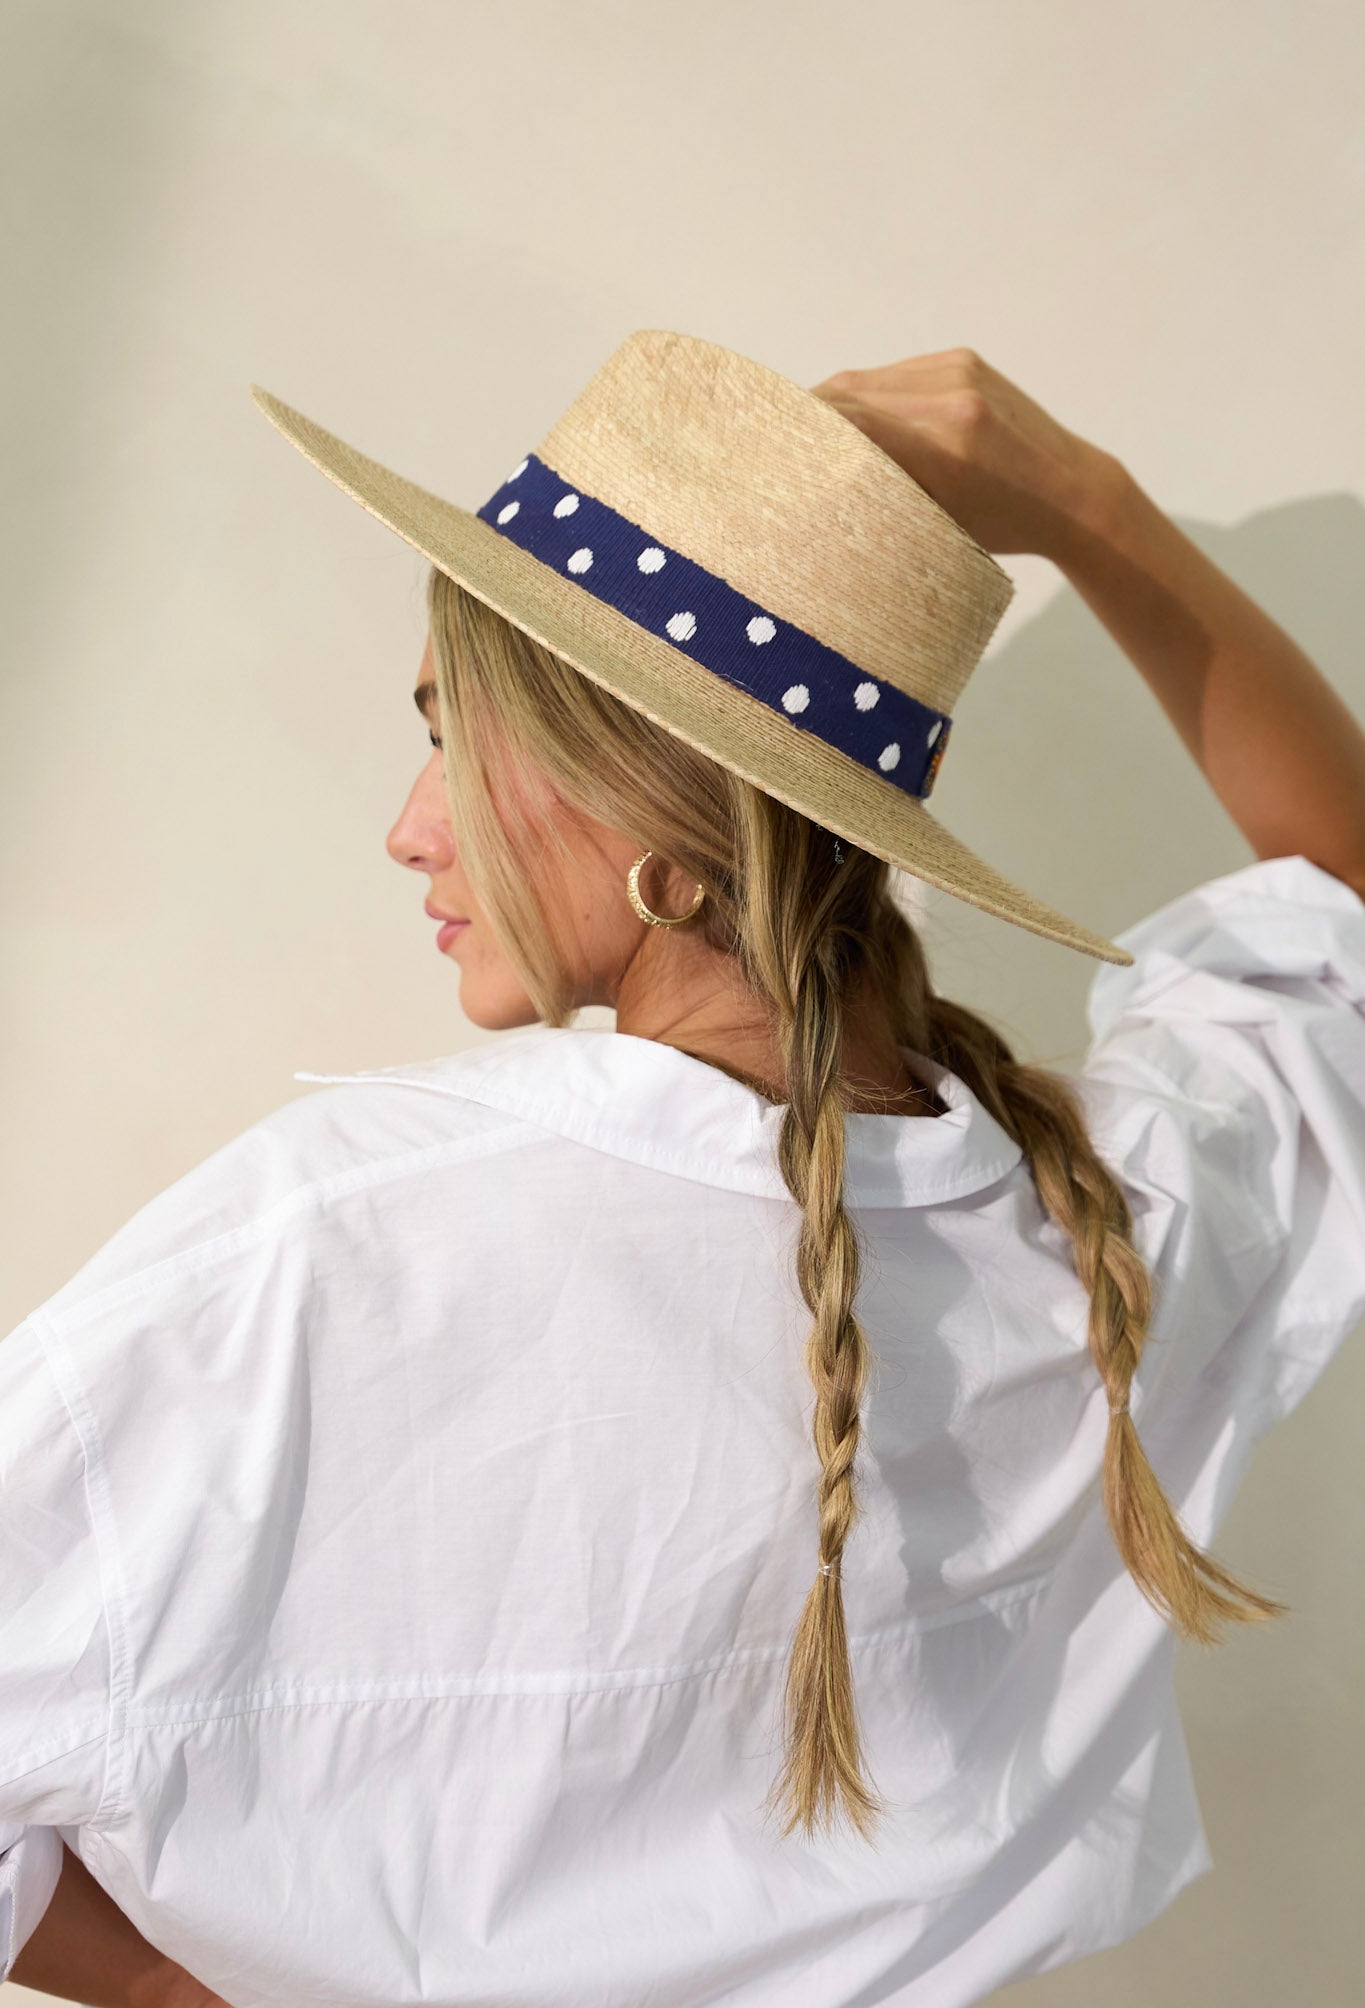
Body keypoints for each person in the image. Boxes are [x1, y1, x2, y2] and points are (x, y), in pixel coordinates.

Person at [4, 338, 1364, 2008]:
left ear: (648, 798)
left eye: (454, 736)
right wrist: (1084, 506)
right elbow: (1340, 912)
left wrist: (161, 1991)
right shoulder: (1103, 1222)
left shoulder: (325, 1241)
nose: (408, 828)